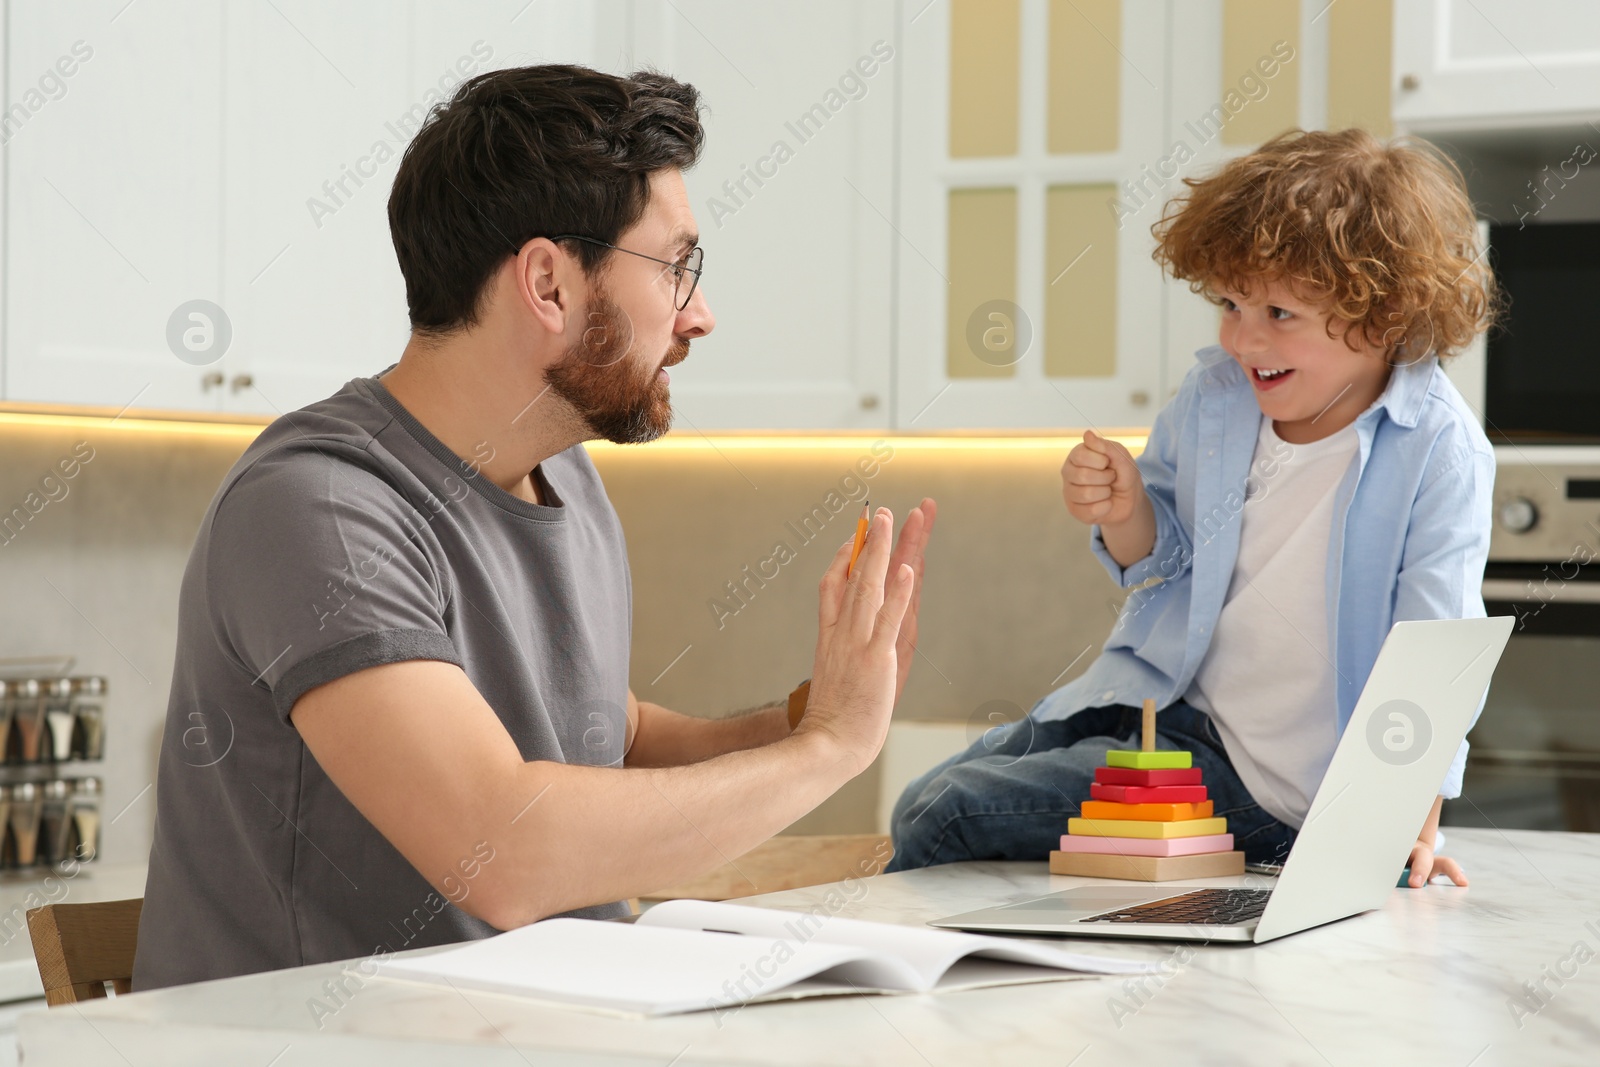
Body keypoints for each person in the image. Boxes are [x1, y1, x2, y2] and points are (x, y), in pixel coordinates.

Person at [134, 64, 935, 989]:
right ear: (549, 283)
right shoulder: (320, 507)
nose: (700, 315)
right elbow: (500, 851)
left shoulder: (565, 480)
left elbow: (606, 735)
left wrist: (808, 711)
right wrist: (831, 745)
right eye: (677, 268)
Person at [889, 128, 1496, 888]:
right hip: (1155, 704)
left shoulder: (1439, 450)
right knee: (932, 797)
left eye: (1279, 313)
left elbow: (1434, 656)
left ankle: (897, 983)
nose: (1242, 337)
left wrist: (1408, 824)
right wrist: (1126, 506)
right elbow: (1164, 554)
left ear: (1387, 315)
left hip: (1265, 789)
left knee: (938, 811)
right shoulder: (1215, 396)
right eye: (1231, 302)